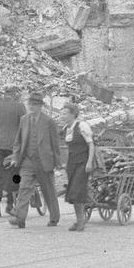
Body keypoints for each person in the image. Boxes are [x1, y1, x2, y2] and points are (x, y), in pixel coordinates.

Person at [7, 91, 61, 228]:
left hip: (44, 161)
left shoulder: (49, 121)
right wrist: (15, 156)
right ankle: (20, 218)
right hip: (27, 160)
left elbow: (55, 143)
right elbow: (18, 140)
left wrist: (57, 161)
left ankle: (54, 217)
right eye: (30, 104)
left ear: (41, 106)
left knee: (48, 190)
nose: (32, 106)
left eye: (35, 104)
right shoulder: (24, 120)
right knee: (24, 188)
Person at [0, 86, 25, 219]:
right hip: (12, 145)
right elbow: (24, 127)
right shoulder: (20, 106)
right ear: (14, 93)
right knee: (14, 175)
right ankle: (10, 203)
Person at [61, 103, 94, 231]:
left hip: (83, 163)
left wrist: (89, 162)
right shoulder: (66, 128)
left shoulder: (82, 126)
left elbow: (91, 145)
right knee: (73, 193)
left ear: (73, 114)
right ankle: (79, 220)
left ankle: (80, 222)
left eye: (65, 113)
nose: (62, 116)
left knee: (76, 192)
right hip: (72, 164)